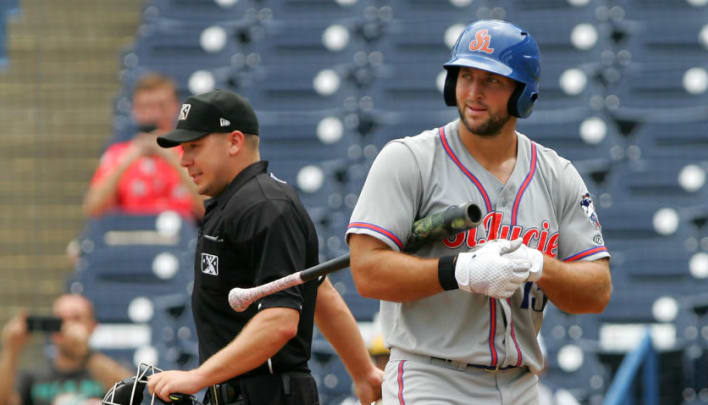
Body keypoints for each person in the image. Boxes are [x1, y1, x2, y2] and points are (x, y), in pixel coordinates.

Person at [346, 19, 612, 404]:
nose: (473, 92)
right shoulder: (409, 160)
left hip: (522, 384)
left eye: (492, 81)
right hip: (432, 377)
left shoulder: (558, 176)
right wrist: (461, 271)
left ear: (523, 93)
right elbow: (367, 272)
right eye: (465, 76)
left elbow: (597, 292)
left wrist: (539, 265)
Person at [144, 89, 383, 404]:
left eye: (194, 146)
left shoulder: (264, 206)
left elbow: (280, 321)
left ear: (234, 141)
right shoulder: (236, 202)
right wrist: (363, 372)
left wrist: (196, 377)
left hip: (267, 395)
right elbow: (316, 290)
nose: (184, 160)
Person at [83, 73, 204, 219]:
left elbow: (209, 209)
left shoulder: (195, 152)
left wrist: (173, 159)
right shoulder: (118, 154)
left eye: (161, 106)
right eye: (146, 107)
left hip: (184, 235)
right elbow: (92, 209)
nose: (154, 114)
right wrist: (126, 161)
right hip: (132, 234)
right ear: (135, 110)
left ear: (175, 107)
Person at [0, 294, 133, 405]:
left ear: (93, 326)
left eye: (76, 318)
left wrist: (85, 352)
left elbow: (133, 394)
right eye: (60, 320)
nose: (67, 326)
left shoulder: (108, 370)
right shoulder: (33, 377)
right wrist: (11, 349)